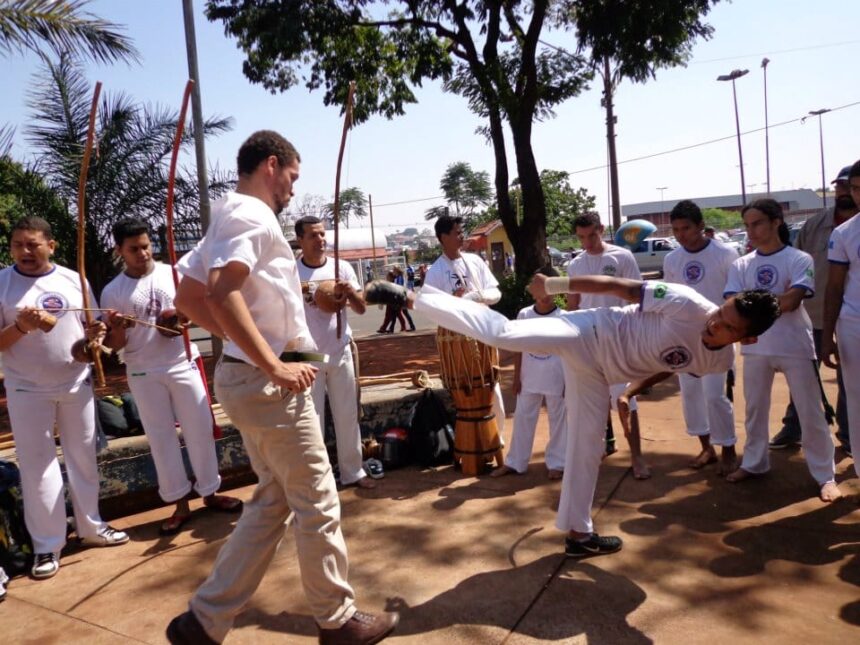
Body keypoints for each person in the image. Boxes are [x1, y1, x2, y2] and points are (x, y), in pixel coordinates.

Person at [365, 271, 781, 557]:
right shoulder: (688, 303)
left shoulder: (718, 362)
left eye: (726, 327)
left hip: (601, 375)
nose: (714, 324)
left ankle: (579, 534)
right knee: (504, 332)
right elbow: (620, 287)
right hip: (588, 331)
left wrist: (633, 390)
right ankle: (414, 297)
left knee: (585, 449)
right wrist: (557, 284)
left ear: (747, 338)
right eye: (721, 313)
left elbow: (670, 363)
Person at [167, 131, 397, 644]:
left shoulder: (228, 215)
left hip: (253, 379)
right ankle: (336, 621)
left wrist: (273, 354)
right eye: (292, 177)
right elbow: (221, 293)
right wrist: (272, 365)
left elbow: (187, 295)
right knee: (318, 499)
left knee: (273, 500)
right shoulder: (250, 214)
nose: (293, 189)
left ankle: (202, 622)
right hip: (267, 390)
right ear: (272, 165)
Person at [0, 216, 129, 581]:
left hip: (75, 383)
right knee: (38, 466)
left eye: (32, 244)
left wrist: (98, 332)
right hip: (26, 389)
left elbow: (92, 327)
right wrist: (22, 327)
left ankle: (92, 527)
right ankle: (47, 545)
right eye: (17, 244)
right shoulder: (2, 284)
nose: (24, 251)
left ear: (51, 245)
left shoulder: (74, 279)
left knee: (83, 457)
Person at [100, 218, 242, 535]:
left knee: (200, 429)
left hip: (182, 362)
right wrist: (120, 328)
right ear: (120, 250)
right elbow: (114, 344)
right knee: (161, 437)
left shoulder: (174, 275)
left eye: (146, 246)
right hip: (142, 369)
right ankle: (178, 503)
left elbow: (194, 313)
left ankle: (210, 492)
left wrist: (182, 318)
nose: (143, 253)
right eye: (134, 249)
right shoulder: (113, 292)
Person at [723, 198, 841, 502]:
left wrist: (754, 310)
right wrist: (754, 314)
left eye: (757, 223)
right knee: (754, 409)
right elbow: (734, 304)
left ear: (776, 222)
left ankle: (824, 475)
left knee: (811, 411)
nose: (751, 231)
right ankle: (754, 463)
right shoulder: (741, 264)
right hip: (755, 346)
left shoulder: (798, 258)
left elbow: (793, 300)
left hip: (794, 344)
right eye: (747, 225)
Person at [770, 165, 857, 455]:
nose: (844, 193)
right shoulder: (816, 225)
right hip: (811, 316)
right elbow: (795, 261)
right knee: (803, 376)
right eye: (841, 188)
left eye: (850, 187)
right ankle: (793, 427)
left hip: (847, 320)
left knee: (850, 383)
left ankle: (847, 436)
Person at [566, 212, 649, 479]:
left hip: (620, 340)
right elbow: (572, 304)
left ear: (601, 229)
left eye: (591, 235)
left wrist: (638, 337)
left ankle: (637, 457)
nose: (587, 242)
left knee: (626, 402)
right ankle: (597, 451)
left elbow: (638, 297)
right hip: (589, 341)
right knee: (591, 401)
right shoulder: (575, 265)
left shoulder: (622, 257)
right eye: (581, 237)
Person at [294, 215, 375, 489]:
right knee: (311, 419)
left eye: (322, 234)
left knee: (347, 414)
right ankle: (317, 479)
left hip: (340, 349)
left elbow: (362, 308)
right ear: (300, 240)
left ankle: (353, 472)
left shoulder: (343, 267)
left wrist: (349, 291)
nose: (320, 240)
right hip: (308, 356)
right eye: (313, 236)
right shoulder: (291, 272)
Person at [663, 201, 740, 474]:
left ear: (700, 226)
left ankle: (728, 448)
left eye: (686, 228)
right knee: (691, 394)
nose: (681, 234)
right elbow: (669, 297)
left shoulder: (725, 254)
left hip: (718, 335)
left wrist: (731, 331)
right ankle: (706, 447)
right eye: (675, 229)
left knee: (715, 395)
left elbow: (735, 296)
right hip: (684, 335)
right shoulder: (672, 260)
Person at [423, 214, 506, 440]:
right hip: (457, 339)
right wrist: (454, 300)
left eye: (462, 231)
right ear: (443, 237)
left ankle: (496, 439)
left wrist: (474, 296)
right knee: (467, 395)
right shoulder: (435, 272)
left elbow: (495, 293)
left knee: (492, 388)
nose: (462, 236)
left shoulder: (475, 261)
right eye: (457, 233)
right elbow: (431, 307)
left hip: (483, 332)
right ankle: (475, 441)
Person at [491, 266, 566, 480]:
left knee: (558, 419)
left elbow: (568, 353)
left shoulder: (564, 317)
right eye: (539, 289)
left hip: (556, 376)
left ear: (557, 291)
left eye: (549, 289)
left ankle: (558, 463)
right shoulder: (524, 314)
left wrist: (568, 381)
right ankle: (516, 462)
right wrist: (516, 378)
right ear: (533, 290)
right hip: (529, 376)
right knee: (524, 417)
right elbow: (518, 347)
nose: (543, 295)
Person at [822, 159, 860, 479]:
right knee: (857, 400)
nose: (859, 195)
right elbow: (833, 287)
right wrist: (827, 336)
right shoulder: (845, 233)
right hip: (853, 325)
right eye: (856, 189)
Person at [388, 266, 415, 332]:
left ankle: (392, 329)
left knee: (396, 312)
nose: (393, 272)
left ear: (396, 271)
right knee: (399, 312)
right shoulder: (398, 277)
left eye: (394, 270)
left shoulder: (400, 278)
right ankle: (412, 326)